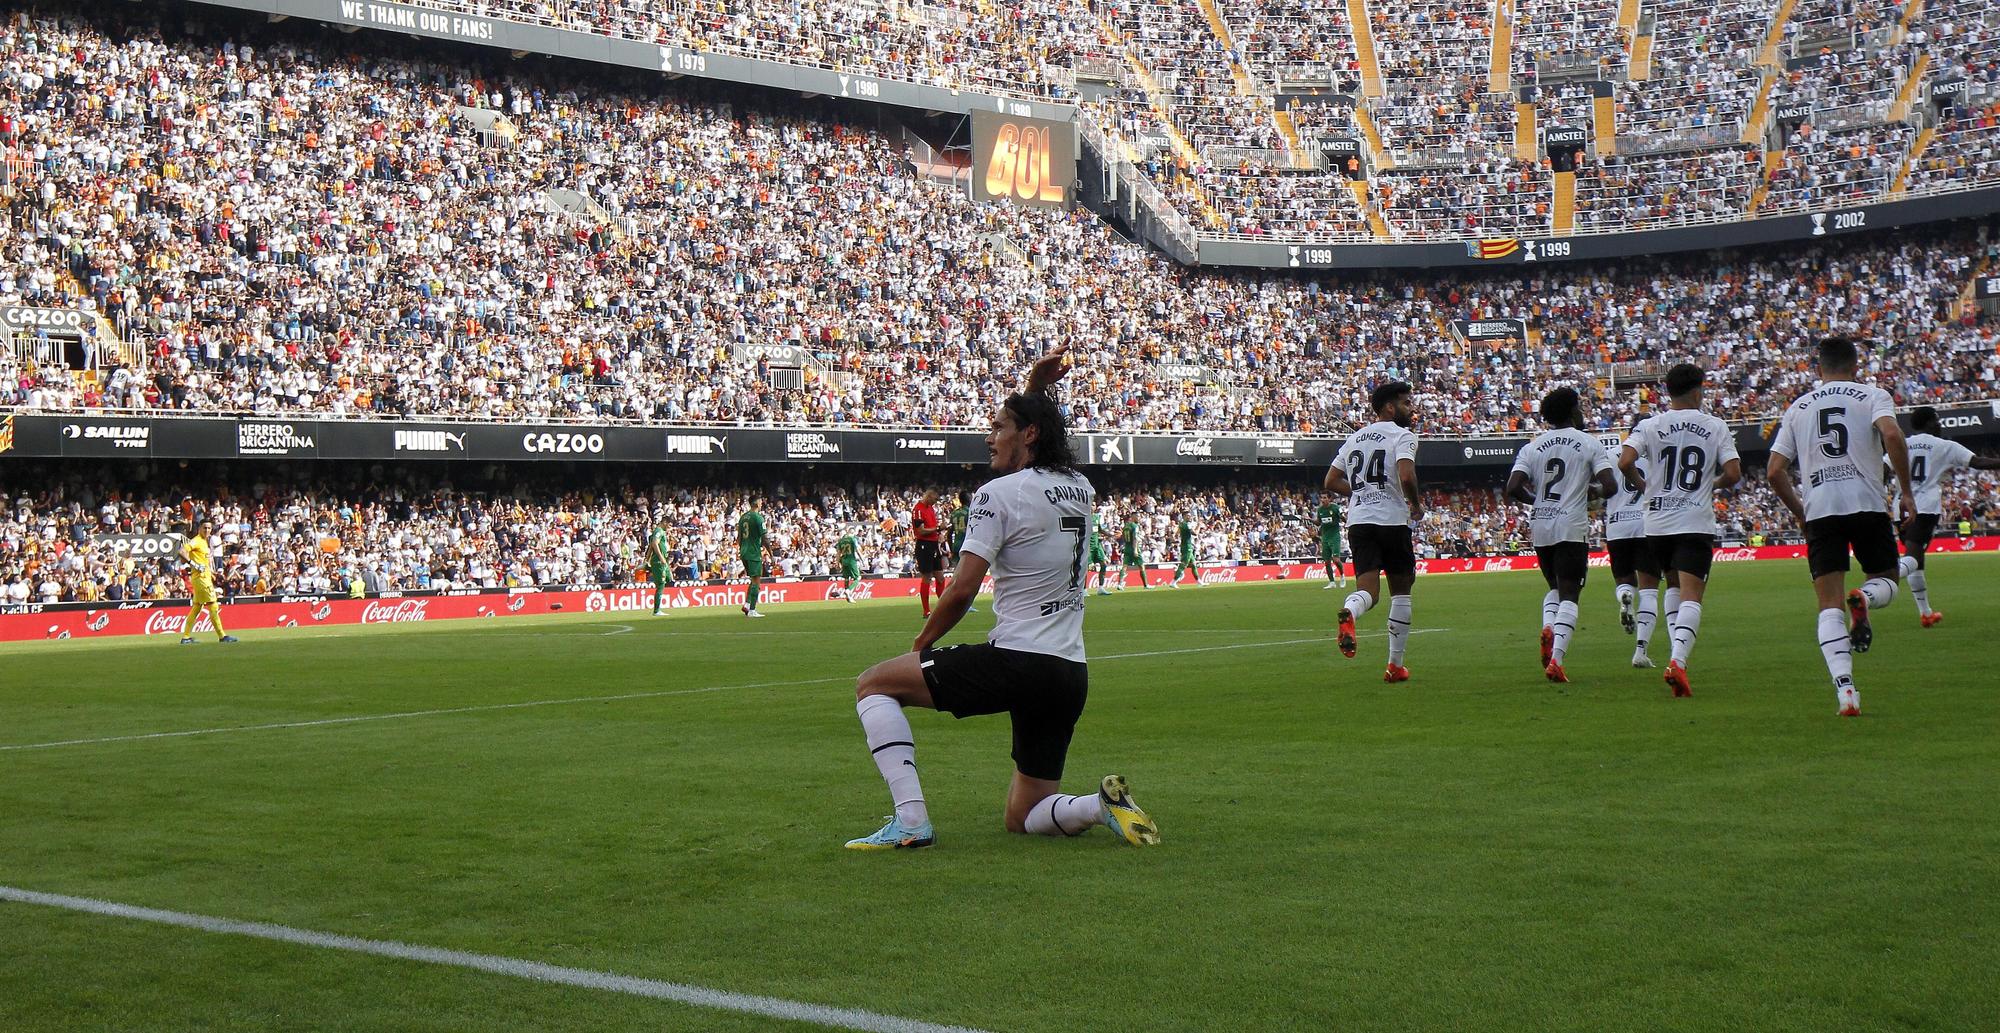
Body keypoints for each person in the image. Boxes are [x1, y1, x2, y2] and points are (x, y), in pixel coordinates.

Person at [845, 344, 1157, 851]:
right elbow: (1040, 439)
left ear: (1027, 435)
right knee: (1024, 815)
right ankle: (1100, 805)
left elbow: (964, 587)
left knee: (872, 686)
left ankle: (910, 821)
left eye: (998, 429)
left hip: (1018, 660)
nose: (989, 439)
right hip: (1068, 672)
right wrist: (1035, 388)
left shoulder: (997, 494)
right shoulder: (1080, 486)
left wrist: (921, 643)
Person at [1767, 337, 1916, 717]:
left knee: (1827, 606)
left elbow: (1774, 471)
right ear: (1855, 364)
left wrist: (1801, 512)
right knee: (1886, 580)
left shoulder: (1798, 407)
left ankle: (1846, 693)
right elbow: (1893, 435)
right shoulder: (1871, 395)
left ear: (1819, 368)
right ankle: (1864, 599)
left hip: (1821, 510)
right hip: (1865, 504)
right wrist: (1906, 492)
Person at [1618, 364, 1742, 697]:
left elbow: (1624, 462)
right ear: (1698, 391)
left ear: (1668, 392)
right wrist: (1710, 484)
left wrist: (1645, 486)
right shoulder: (1713, 425)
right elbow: (1733, 472)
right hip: (1693, 521)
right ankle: (1678, 662)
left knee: (1671, 583)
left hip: (1656, 524)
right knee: (1691, 595)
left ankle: (1675, 652)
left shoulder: (1650, 424)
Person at [1506, 387, 1618, 683]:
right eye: (1579, 408)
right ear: (1572, 412)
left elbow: (1513, 487)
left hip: (1541, 524)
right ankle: (1556, 660)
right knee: (1571, 593)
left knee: (1554, 587)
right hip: (1571, 524)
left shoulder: (1532, 447)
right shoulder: (1589, 444)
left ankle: (1548, 627)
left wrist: (1539, 500)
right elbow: (1611, 486)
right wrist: (1589, 492)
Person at [1326, 381, 1422, 682]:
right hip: (1391, 520)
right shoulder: (1403, 436)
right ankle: (1395, 665)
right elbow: (1406, 474)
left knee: (1368, 590)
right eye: (1406, 403)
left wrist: (1360, 493)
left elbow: (1330, 481)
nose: (1411, 408)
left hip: (1359, 521)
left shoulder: (1354, 439)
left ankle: (1350, 612)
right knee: (1401, 592)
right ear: (1389, 407)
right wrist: (1415, 503)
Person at [1894, 406, 2000, 625]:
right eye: (1937, 420)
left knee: (1917, 560)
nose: (1940, 424)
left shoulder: (1904, 442)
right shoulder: (1945, 446)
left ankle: (1925, 613)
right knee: (1912, 559)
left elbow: (1884, 468)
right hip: (1924, 507)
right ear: (1929, 422)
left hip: (1900, 507)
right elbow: (1978, 462)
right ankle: (1873, 589)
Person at [1601, 430, 1651, 643]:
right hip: (1646, 524)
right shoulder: (1654, 455)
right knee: (1649, 586)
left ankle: (1624, 596)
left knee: (1623, 578)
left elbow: (1602, 487)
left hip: (1617, 525)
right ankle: (1642, 646)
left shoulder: (1609, 455)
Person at [176, 519, 237, 645]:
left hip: (204, 577)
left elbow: (187, 558)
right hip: (201, 579)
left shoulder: (204, 542)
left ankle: (186, 637)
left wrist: (212, 573)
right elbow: (181, 551)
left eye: (209, 528)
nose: (207, 530)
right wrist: (193, 564)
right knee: (213, 605)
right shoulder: (197, 540)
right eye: (205, 528)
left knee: (197, 607)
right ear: (199, 528)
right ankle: (222, 636)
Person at [912, 489, 947, 618]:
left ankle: (942, 607)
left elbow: (931, 528)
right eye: (934, 500)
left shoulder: (930, 508)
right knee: (927, 576)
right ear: (929, 496)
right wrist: (938, 529)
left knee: (940, 576)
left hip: (933, 544)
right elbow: (921, 531)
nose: (934, 503)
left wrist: (939, 534)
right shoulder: (918, 509)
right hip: (923, 545)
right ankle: (926, 610)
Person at [737, 501, 769, 618]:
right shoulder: (758, 518)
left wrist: (741, 551)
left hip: (744, 552)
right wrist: (770, 553)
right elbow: (764, 538)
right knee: (757, 581)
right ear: (756, 503)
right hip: (754, 553)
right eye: (760, 501)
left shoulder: (743, 517)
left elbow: (739, 537)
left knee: (753, 579)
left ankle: (747, 604)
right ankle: (752, 610)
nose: (762, 503)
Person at [1317, 494, 1346, 589]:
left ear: (1329, 499)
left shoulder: (1335, 508)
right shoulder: (1320, 510)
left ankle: (1342, 576)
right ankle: (1332, 582)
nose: (1323, 499)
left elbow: (1343, 518)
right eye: (1322, 497)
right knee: (1327, 562)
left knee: (1336, 560)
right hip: (1325, 537)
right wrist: (1310, 520)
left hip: (1334, 536)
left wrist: (1344, 519)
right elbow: (1318, 522)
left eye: (1325, 497)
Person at [647, 518, 672, 616]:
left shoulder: (661, 532)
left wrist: (647, 558)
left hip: (663, 561)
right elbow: (654, 544)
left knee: (669, 579)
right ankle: (656, 611)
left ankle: (649, 568)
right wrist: (661, 557)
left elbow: (650, 546)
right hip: (659, 561)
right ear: (664, 522)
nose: (669, 527)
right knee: (661, 584)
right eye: (669, 525)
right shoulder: (658, 531)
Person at [1119, 512, 1150, 589]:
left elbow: (1123, 537)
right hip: (1134, 548)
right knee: (1141, 566)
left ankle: (1119, 584)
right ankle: (1146, 585)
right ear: (1133, 517)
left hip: (1127, 548)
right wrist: (1135, 550)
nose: (1139, 518)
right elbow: (1135, 538)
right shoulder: (1135, 526)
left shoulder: (1126, 526)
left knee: (1124, 566)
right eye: (1138, 516)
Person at [1168, 511, 1198, 587]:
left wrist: (1174, 538)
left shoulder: (1181, 524)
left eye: (1190, 515)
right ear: (1184, 516)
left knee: (1194, 565)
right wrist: (1199, 525)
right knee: (1183, 565)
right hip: (1187, 547)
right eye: (1188, 516)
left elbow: (1176, 533)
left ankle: (1199, 582)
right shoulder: (1187, 524)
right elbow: (1195, 533)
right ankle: (1173, 582)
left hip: (1186, 546)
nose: (1189, 517)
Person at [835, 529, 863, 603]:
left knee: (846, 578)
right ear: (852, 533)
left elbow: (838, 553)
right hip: (851, 560)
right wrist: (862, 559)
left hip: (844, 560)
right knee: (858, 578)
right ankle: (848, 590)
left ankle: (849, 598)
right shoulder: (853, 539)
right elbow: (857, 550)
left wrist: (837, 563)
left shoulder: (840, 541)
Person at [1087, 520, 1111, 595]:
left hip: (1097, 546)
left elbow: (1099, 529)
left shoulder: (1096, 517)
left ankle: (1101, 588)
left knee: (1104, 565)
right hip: (1088, 547)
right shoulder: (1084, 516)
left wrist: (1109, 534)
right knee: (1087, 568)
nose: (1092, 507)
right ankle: (1083, 590)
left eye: (1094, 506)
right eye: (1091, 506)